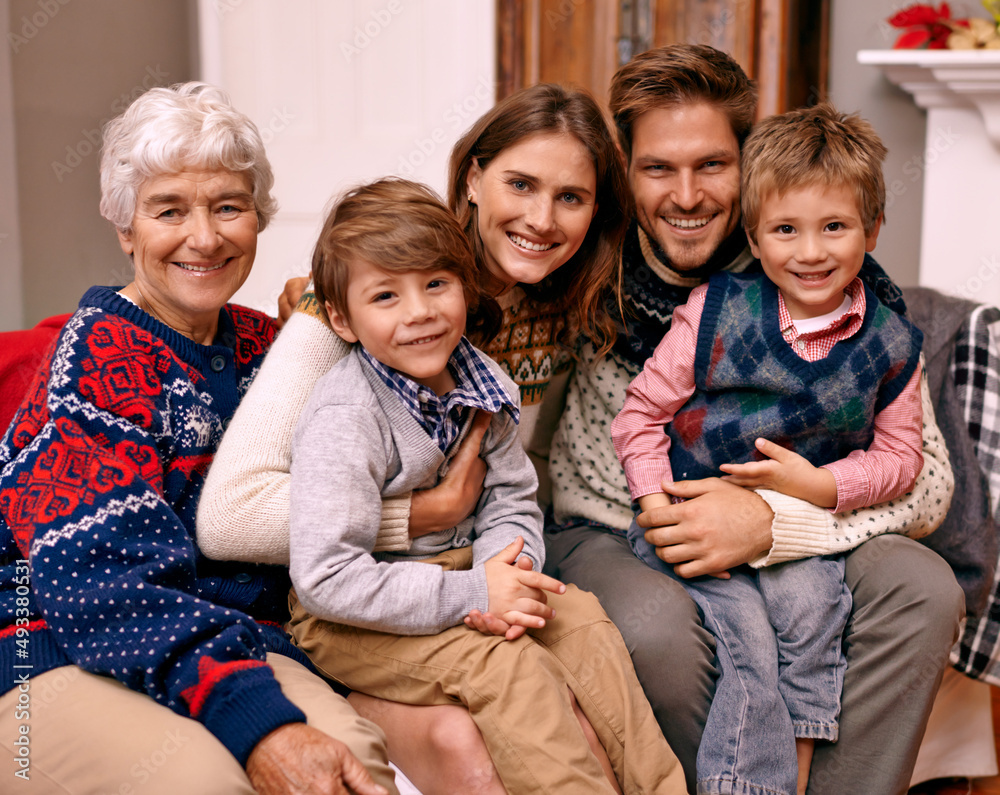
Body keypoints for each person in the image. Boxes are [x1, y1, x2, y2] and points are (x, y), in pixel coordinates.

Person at [544, 44, 963, 794]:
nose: (686, 195)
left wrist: (775, 521)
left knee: (924, 589)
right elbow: (457, 282)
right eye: (658, 168)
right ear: (624, 172)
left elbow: (926, 487)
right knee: (655, 627)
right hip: (611, 523)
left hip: (806, 515)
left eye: (711, 165)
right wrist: (326, 297)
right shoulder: (582, 264)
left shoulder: (823, 277)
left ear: (751, 164)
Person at [197, 82, 635, 793]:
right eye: (520, 184)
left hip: (472, 562)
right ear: (473, 178)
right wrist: (423, 514)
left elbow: (524, 476)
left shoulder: (565, 304)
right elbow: (230, 517)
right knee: (494, 723)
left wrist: (504, 560)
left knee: (583, 682)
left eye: (571, 198)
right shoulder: (354, 294)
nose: (541, 218)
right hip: (352, 600)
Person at [0, 82, 395, 795]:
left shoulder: (268, 347)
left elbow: (365, 463)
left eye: (228, 207)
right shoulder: (98, 354)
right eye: (169, 210)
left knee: (352, 768)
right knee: (205, 783)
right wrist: (257, 719)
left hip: (227, 640)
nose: (205, 237)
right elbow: (102, 582)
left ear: (258, 217)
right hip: (51, 644)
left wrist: (325, 317)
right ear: (126, 229)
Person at [286, 177, 683, 794]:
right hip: (353, 617)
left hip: (465, 575)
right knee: (510, 667)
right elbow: (327, 580)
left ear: (464, 289)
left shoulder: (481, 379)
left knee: (580, 621)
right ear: (341, 317)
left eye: (436, 285)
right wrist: (477, 593)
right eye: (386, 296)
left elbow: (511, 496)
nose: (419, 312)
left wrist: (509, 569)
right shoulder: (348, 415)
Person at [610, 103, 926, 795]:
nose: (810, 252)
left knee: (816, 619)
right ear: (754, 235)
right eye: (786, 229)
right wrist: (658, 503)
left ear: (872, 229)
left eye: (835, 227)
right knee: (747, 639)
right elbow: (637, 416)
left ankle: (799, 780)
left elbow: (905, 459)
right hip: (689, 517)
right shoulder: (714, 312)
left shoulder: (892, 344)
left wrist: (822, 488)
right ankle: (744, 786)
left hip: (796, 534)